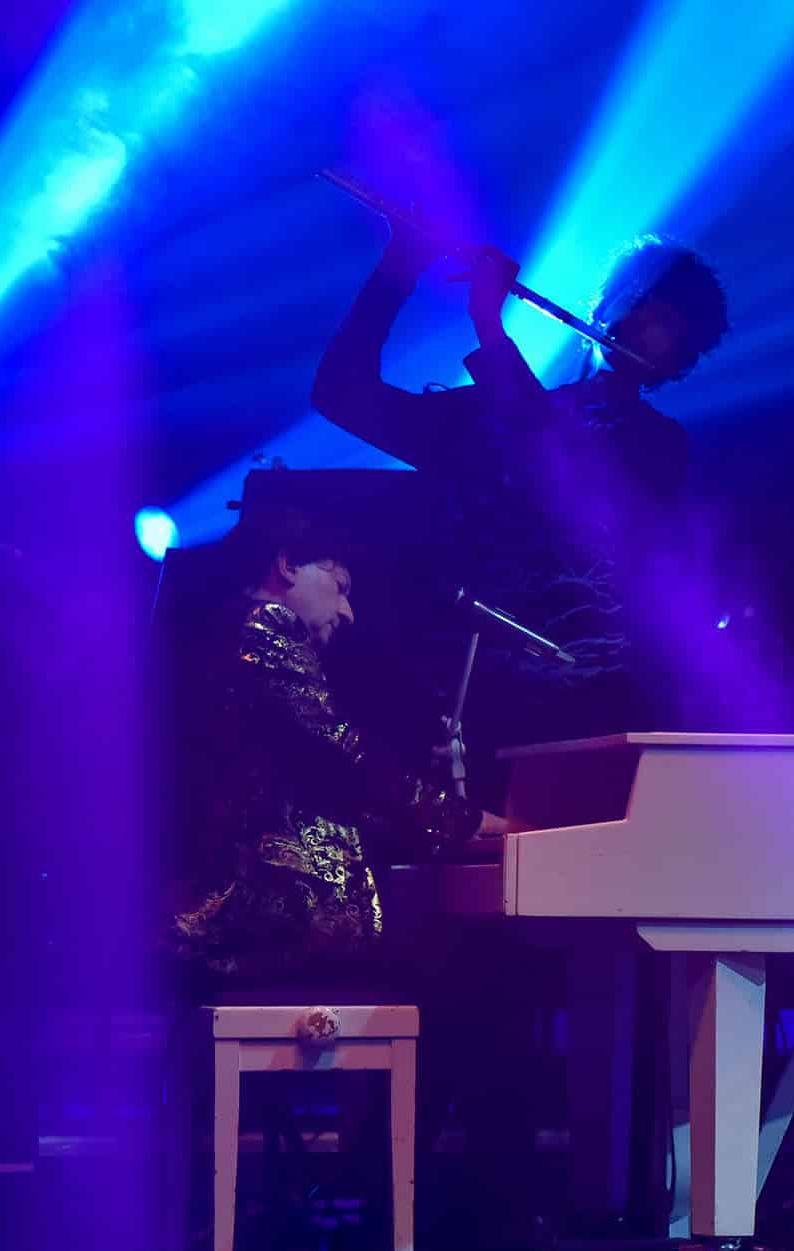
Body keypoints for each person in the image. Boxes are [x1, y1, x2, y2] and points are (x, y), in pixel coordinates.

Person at [310, 219, 730, 769]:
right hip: (454, 699)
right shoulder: (493, 414)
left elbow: (554, 465)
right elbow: (342, 394)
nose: (639, 315)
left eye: (665, 317)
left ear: (682, 356)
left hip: (580, 710)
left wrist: (490, 326)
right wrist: (400, 265)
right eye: (636, 293)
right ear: (604, 302)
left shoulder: (658, 447)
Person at [167, 506, 504, 999]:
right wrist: (456, 817)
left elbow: (314, 770)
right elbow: (339, 752)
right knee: (457, 973)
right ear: (287, 565)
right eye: (341, 586)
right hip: (259, 912)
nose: (349, 612)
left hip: (233, 903)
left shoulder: (223, 633)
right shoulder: (264, 625)